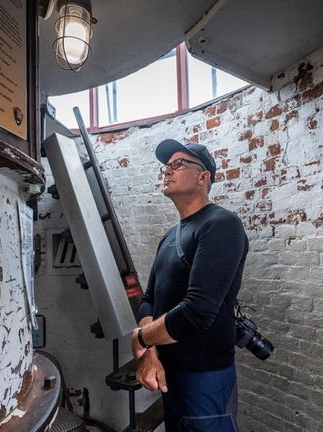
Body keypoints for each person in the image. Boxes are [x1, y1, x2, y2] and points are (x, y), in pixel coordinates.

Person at [131, 139, 249, 432]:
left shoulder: (221, 225)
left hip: (205, 378)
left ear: (203, 177)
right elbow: (149, 300)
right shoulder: (170, 236)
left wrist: (143, 339)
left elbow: (197, 311)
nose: (167, 171)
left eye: (178, 164)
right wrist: (150, 353)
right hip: (170, 374)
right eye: (166, 166)